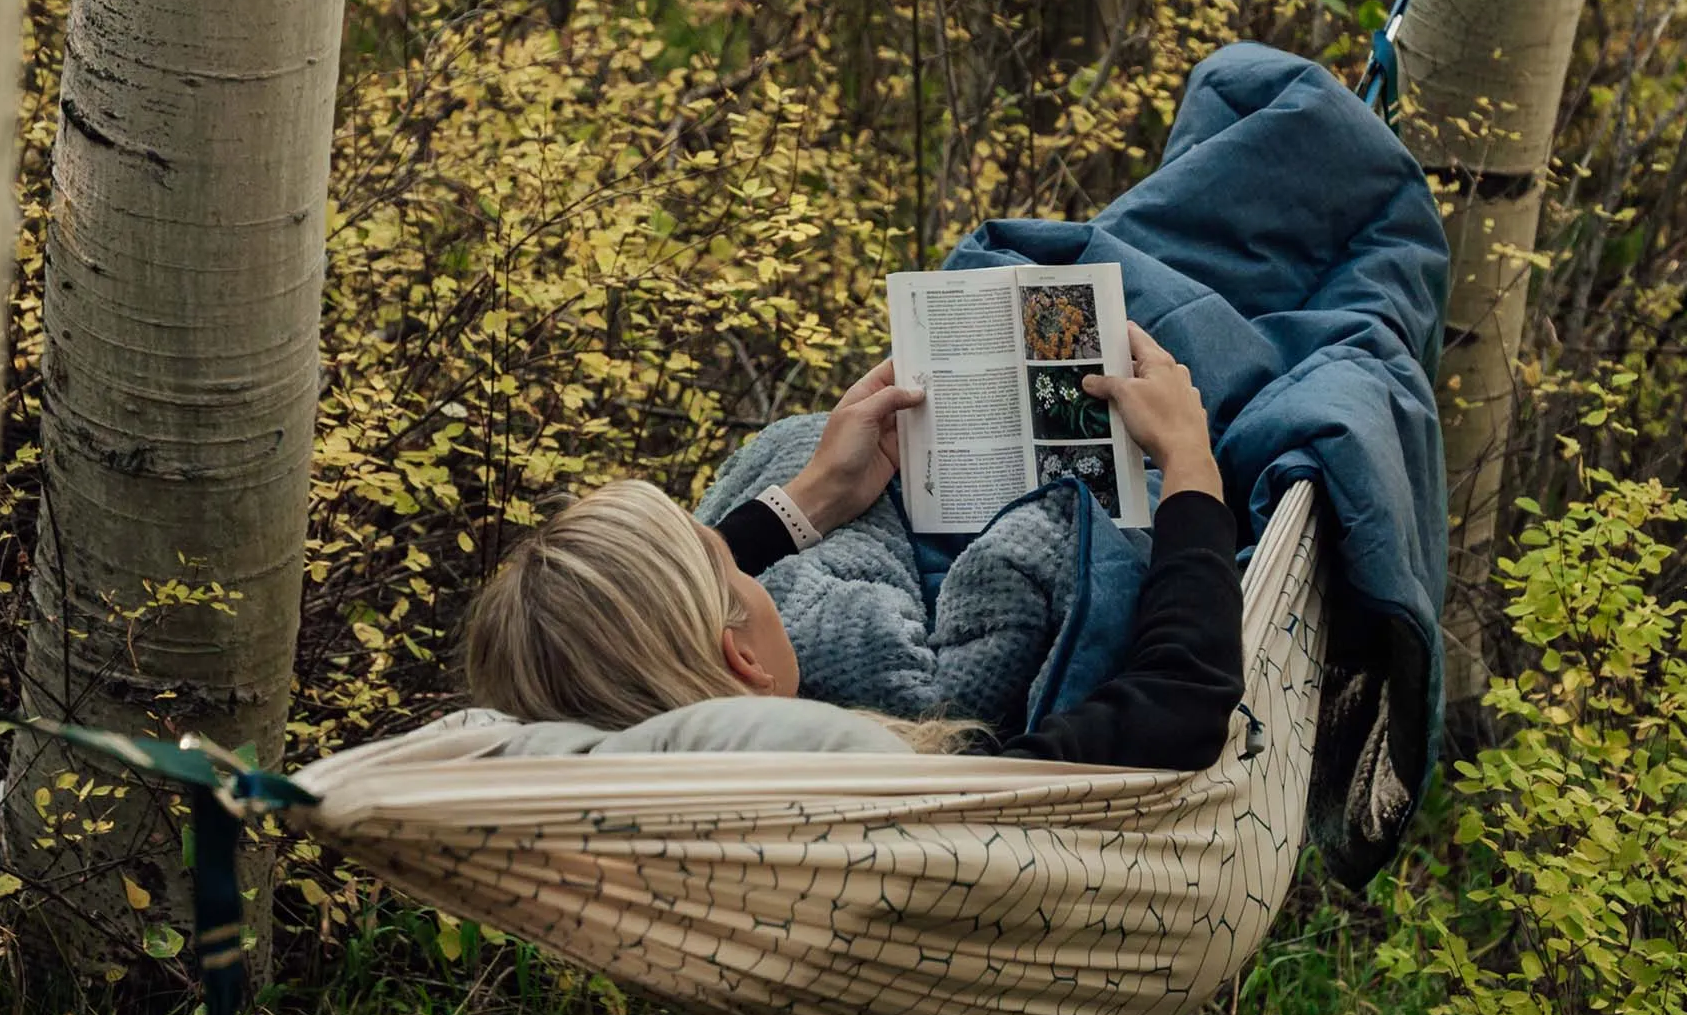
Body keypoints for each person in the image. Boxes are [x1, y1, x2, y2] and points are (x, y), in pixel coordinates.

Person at [463, 325, 1244, 768]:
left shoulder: (636, 765)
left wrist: (815, 497)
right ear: (745, 663)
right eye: (739, 565)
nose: (754, 561)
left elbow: (653, 614)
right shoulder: (933, 787)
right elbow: (1183, 701)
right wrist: (1188, 460)